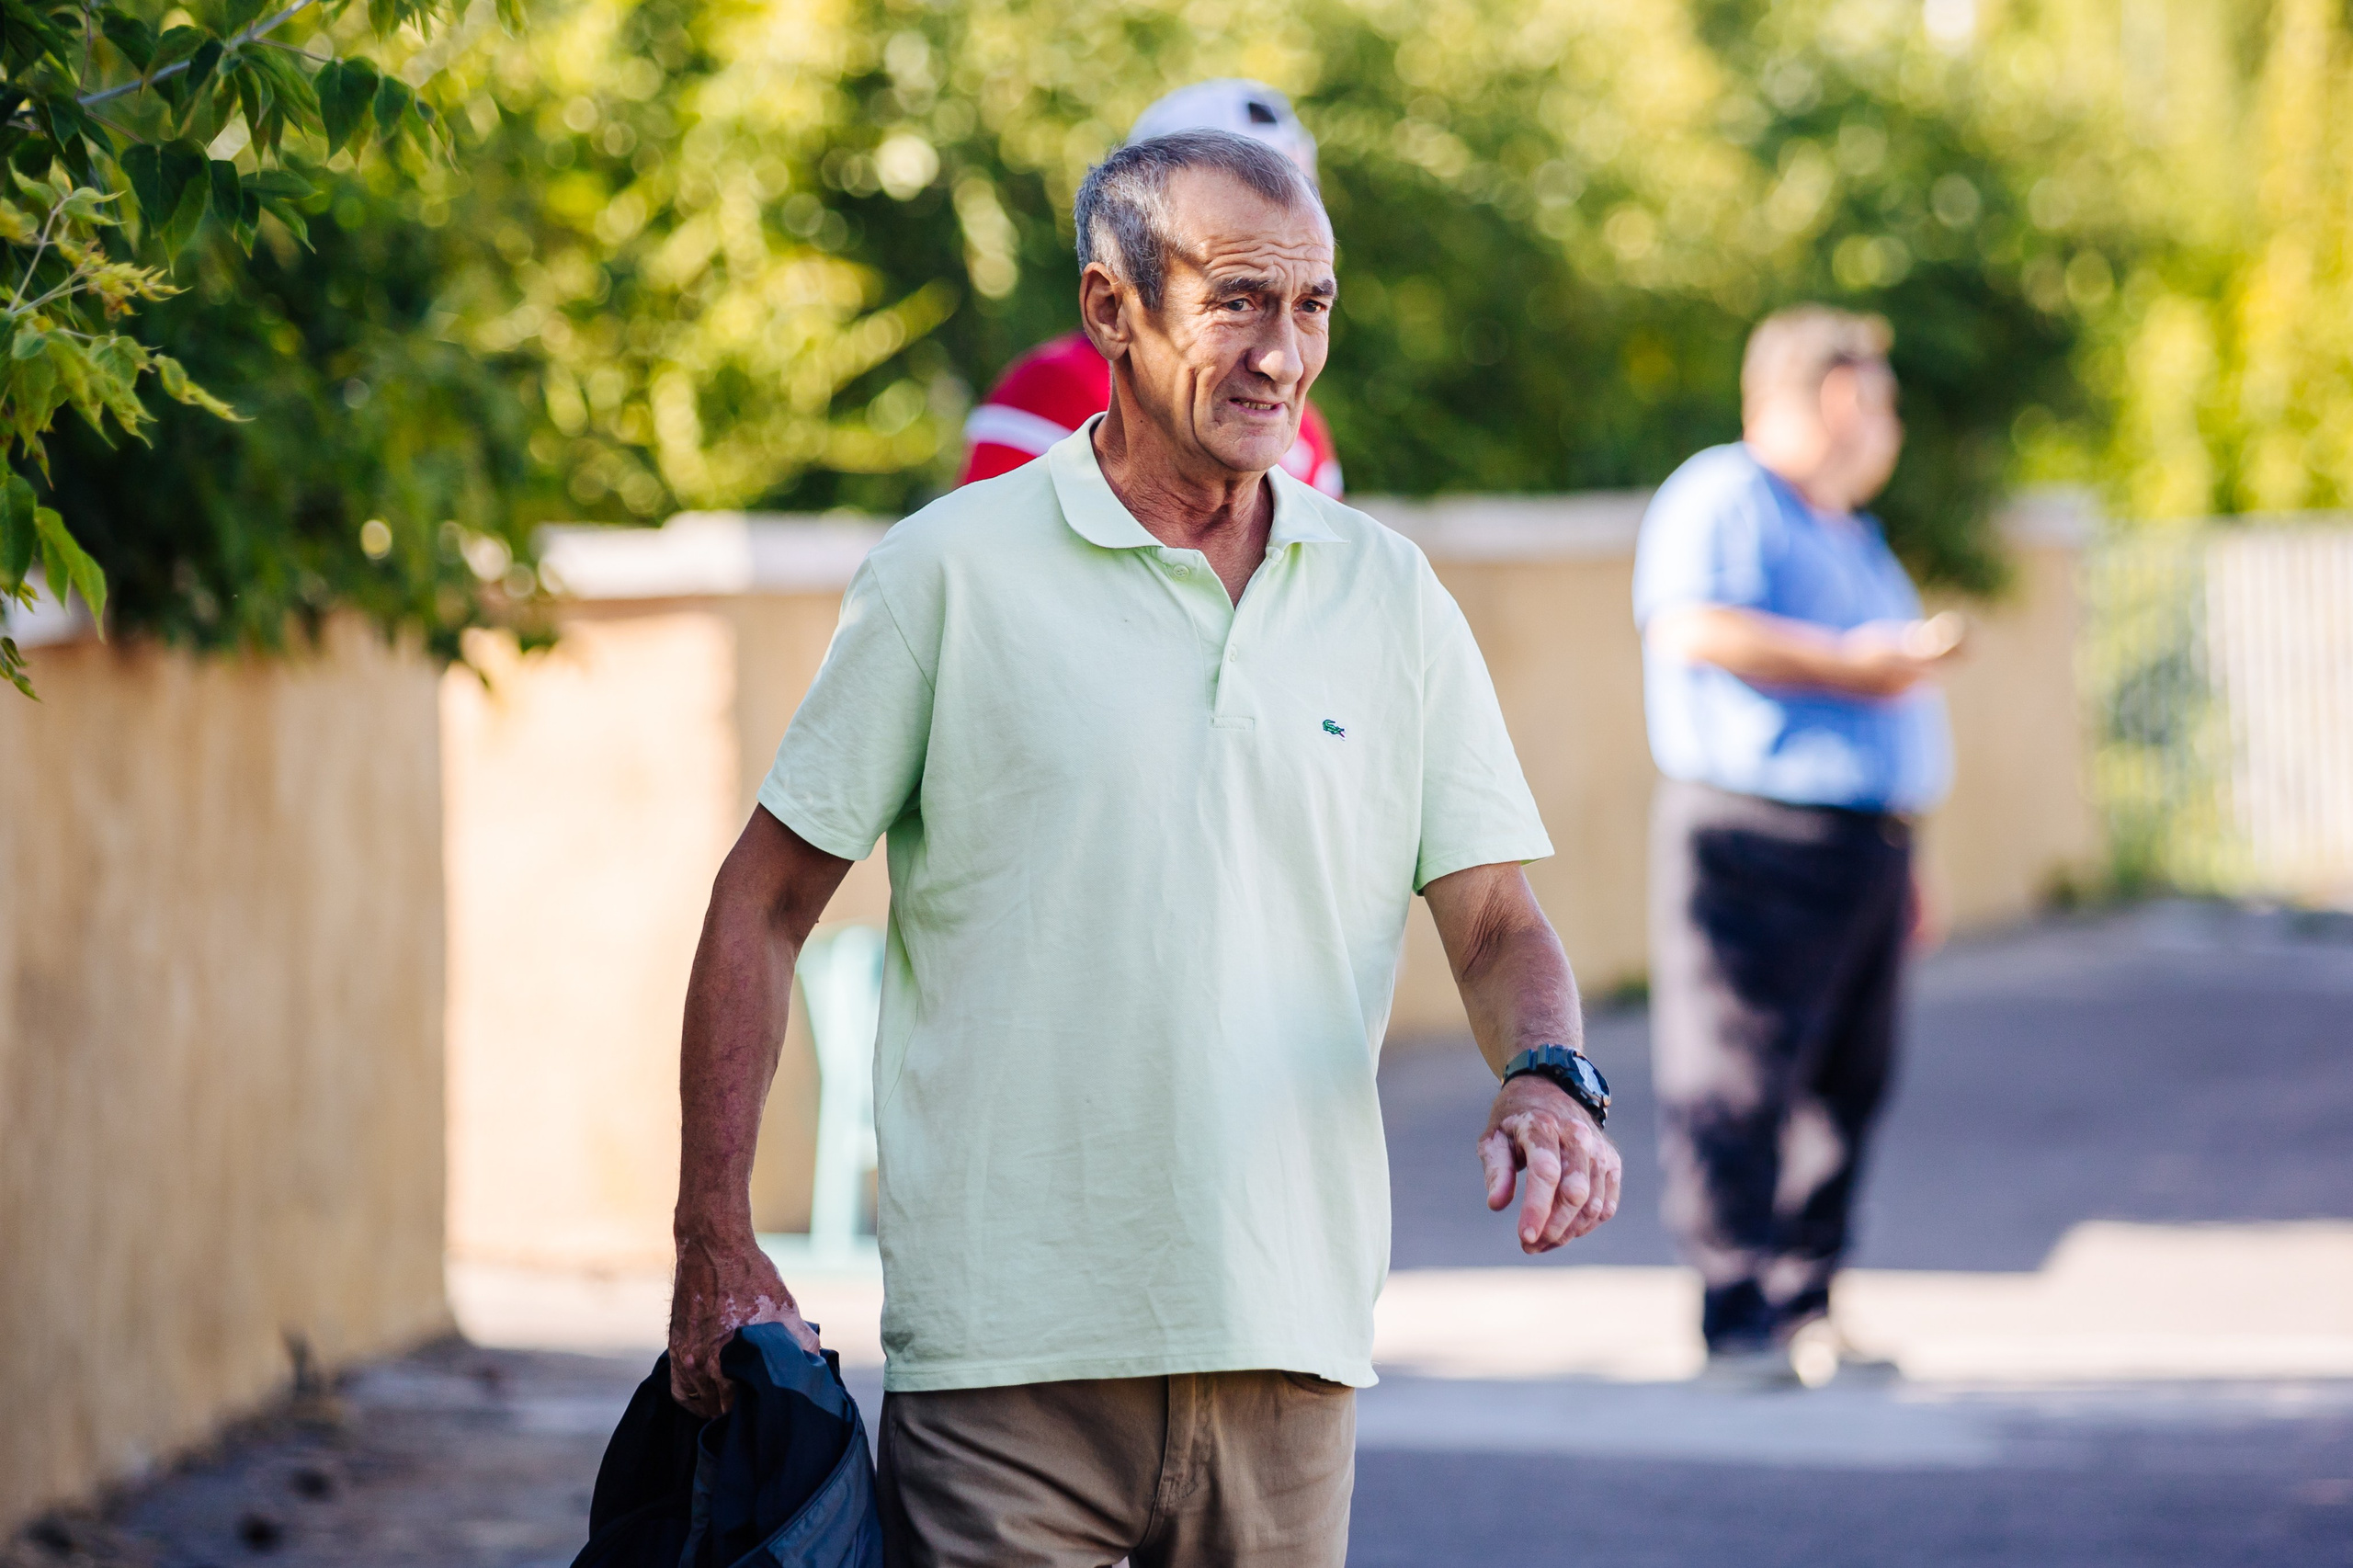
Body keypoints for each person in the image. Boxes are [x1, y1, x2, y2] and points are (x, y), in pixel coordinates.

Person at [668, 130, 1620, 1567]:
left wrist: (1550, 1073)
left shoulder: (1390, 596)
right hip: (1006, 1368)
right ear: (1111, 308)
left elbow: (1494, 921)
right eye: (1237, 298)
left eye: (1312, 307)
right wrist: (714, 1235)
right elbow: (763, 903)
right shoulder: (949, 574)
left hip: (1289, 1347)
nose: (1282, 353)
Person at [1631, 304, 1962, 1383]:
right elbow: (1693, 626)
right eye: (1878, 399)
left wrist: (1910, 853)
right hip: (1756, 837)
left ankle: (1803, 1302)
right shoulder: (1725, 493)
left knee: (1846, 1086)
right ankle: (1734, 1317)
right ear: (1830, 397)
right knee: (1737, 1080)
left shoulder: (1843, 526)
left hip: (1860, 846)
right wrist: (1855, 661)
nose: (1888, 424)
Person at [958, 79, 1346, 497]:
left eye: (1302, 192)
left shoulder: (1299, 424)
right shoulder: (1054, 388)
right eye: (1236, 302)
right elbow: (985, 548)